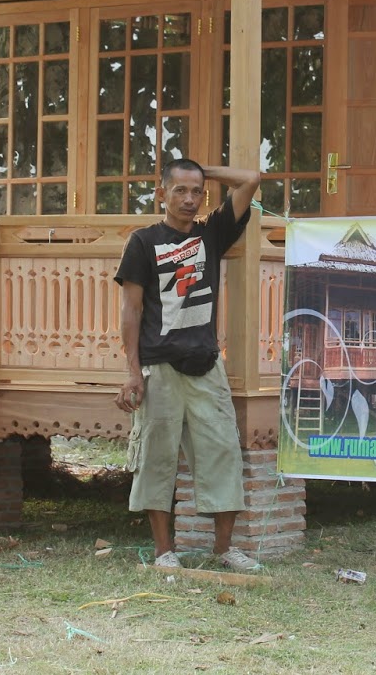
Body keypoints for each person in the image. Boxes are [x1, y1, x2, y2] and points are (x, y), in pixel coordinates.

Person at [113, 158, 263, 572]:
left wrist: (204, 170)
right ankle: (165, 552)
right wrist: (131, 371)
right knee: (156, 459)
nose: (188, 199)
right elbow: (130, 309)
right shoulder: (143, 242)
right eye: (179, 190)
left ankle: (225, 549)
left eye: (196, 191)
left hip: (206, 365)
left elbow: (252, 179)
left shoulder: (211, 232)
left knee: (223, 452)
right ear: (161, 194)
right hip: (158, 366)